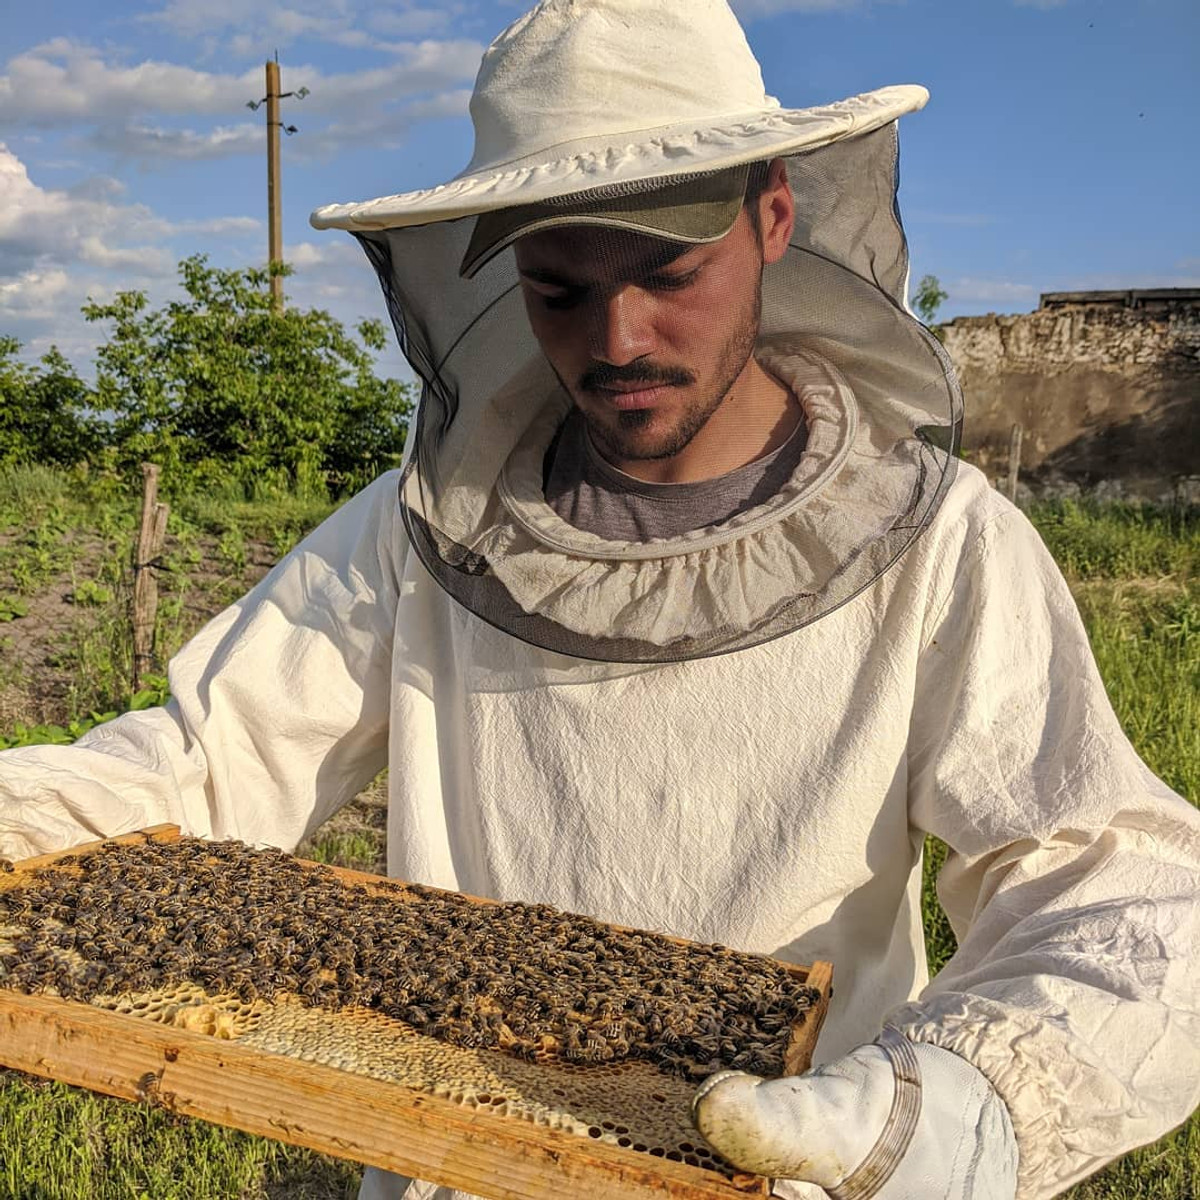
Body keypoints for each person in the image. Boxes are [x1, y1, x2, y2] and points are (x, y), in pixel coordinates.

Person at [2, 1, 1198, 1198]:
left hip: (784, 1172)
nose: (619, 337)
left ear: (773, 214)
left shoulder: (943, 545)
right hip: (455, 1166)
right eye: (558, 289)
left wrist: (930, 1117)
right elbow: (200, 765)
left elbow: (1110, 885)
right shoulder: (421, 529)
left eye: (670, 273)